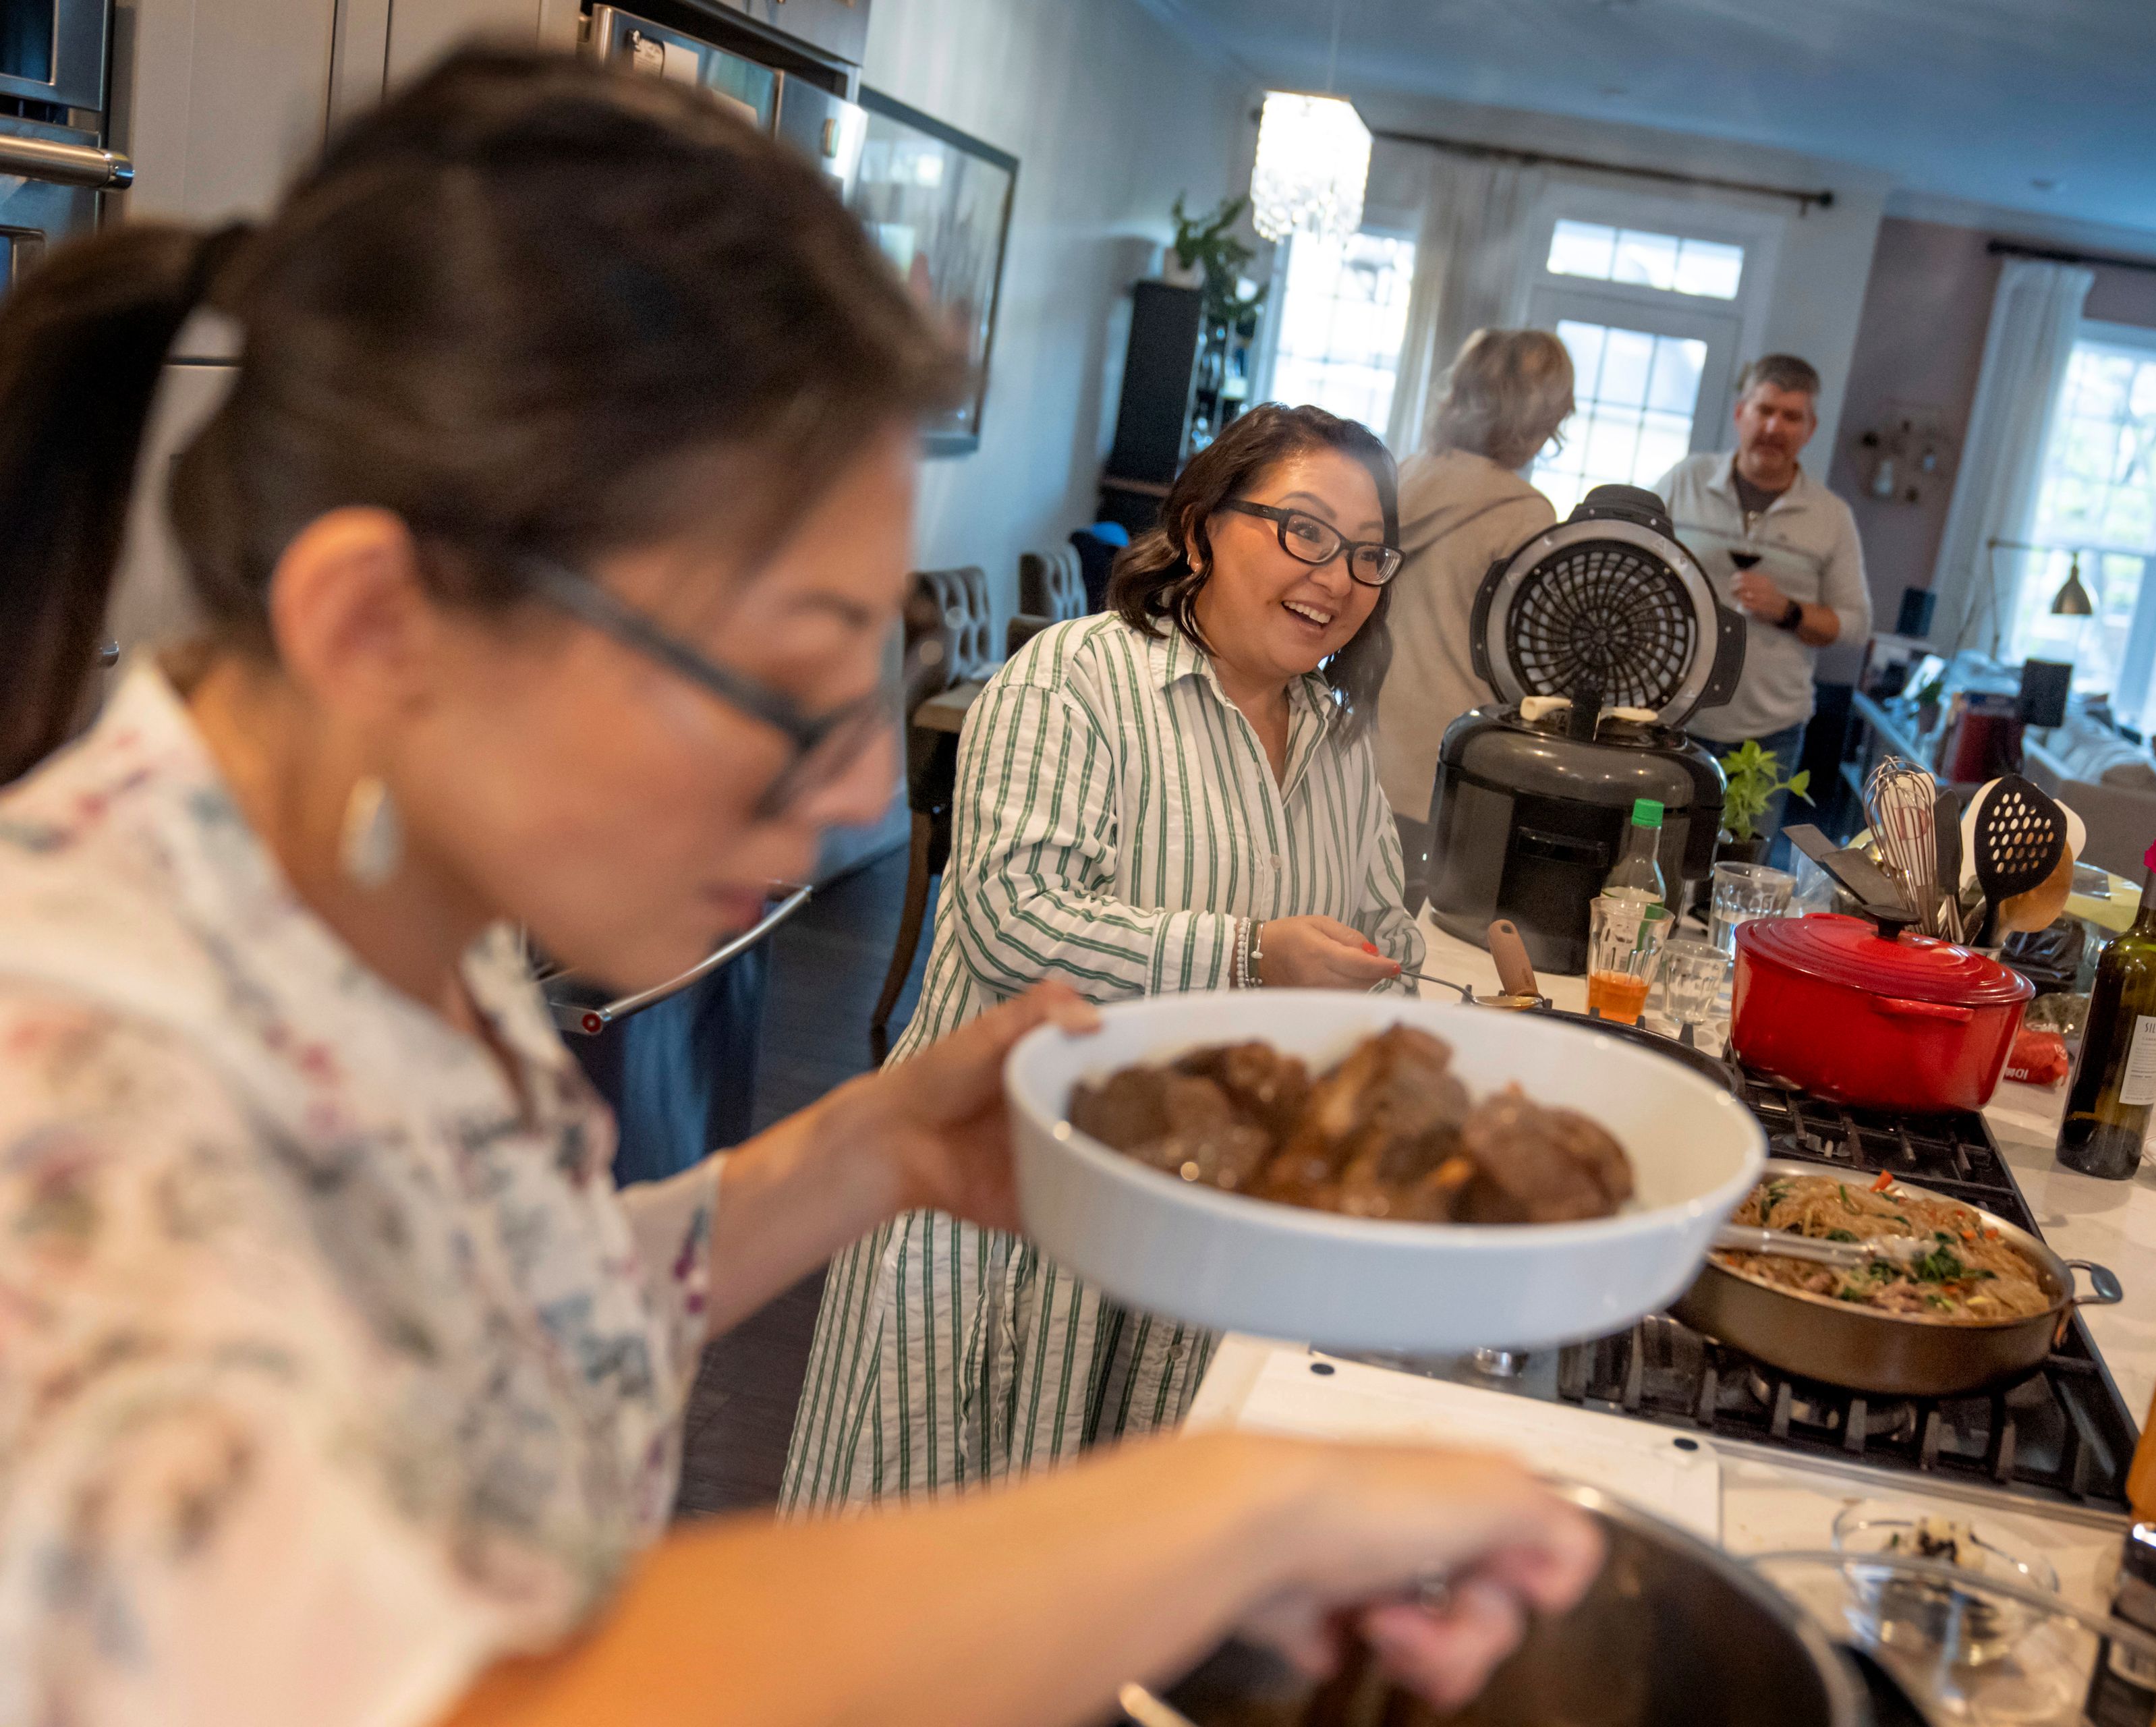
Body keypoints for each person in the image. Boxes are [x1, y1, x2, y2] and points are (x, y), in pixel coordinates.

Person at [0, 51, 1599, 1727]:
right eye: (784, 680)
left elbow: (478, 1318)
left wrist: (862, 1149)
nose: (855, 793)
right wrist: (1221, 1508)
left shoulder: (363, 909)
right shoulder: (79, 1084)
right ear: (378, 626)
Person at [783, 403, 1425, 1508]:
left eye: (1370, 554)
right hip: (1007, 1201)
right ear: (1202, 526)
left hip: (1195, 1223)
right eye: (1304, 531)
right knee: (918, 1576)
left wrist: (1391, 965)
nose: (1339, 576)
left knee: (1092, 1585)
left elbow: (1381, 921)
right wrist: (1252, 956)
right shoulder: (1076, 680)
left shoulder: (1337, 738)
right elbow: (1009, 917)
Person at [1374, 329, 1574, 895]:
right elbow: (1536, 674)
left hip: (1362, 757)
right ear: (1538, 419)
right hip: (1451, 769)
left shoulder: (1399, 478)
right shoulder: (1527, 517)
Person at [1652, 353, 1871, 846]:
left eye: (1791, 417)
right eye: (1765, 410)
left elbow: (1856, 625)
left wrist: (1790, 611)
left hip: (1768, 734)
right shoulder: (1685, 480)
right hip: (1672, 716)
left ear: (1810, 428)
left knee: (1736, 872)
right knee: (1654, 854)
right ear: (1740, 413)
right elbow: (1634, 564)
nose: (1775, 427)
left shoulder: (1830, 516)